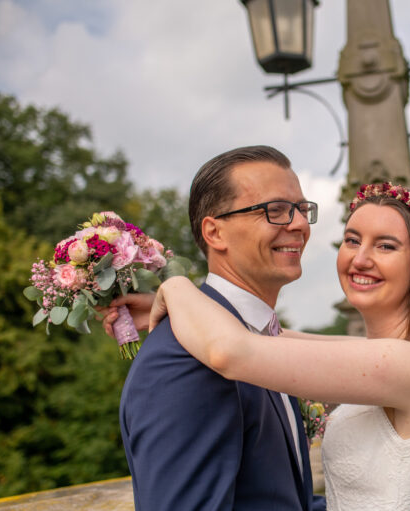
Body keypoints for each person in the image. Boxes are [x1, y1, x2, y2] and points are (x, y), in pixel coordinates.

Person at [141, 182, 410, 510]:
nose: (360, 259)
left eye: (386, 245)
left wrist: (175, 287)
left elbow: (230, 351)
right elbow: (269, 335)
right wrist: (172, 307)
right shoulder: (389, 352)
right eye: (352, 240)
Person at [114, 146, 326, 511]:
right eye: (275, 211)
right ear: (214, 233)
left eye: (301, 209)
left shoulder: (263, 337)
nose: (300, 224)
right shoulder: (182, 360)